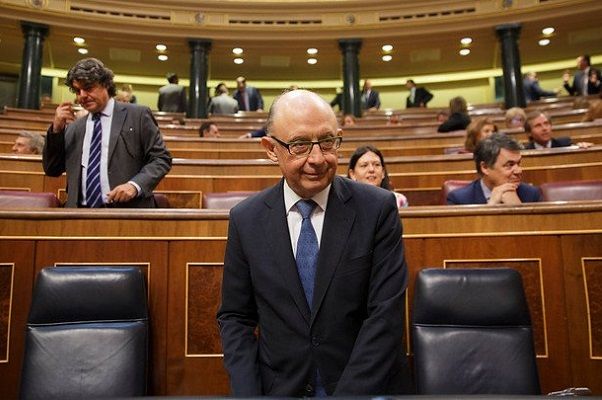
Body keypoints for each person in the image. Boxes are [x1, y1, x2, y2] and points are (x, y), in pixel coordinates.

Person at [217, 89, 410, 396]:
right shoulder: (246, 219)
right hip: (280, 389)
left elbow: (384, 316)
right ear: (271, 149)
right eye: (300, 145)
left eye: (327, 141)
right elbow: (236, 318)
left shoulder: (378, 209)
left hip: (362, 388)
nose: (317, 158)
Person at [43, 57, 172, 208]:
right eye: (77, 91)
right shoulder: (74, 128)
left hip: (127, 213)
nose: (82, 95)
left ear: (105, 84)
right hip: (80, 214)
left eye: (88, 88)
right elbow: (52, 169)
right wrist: (56, 129)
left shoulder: (138, 115)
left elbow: (161, 159)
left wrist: (134, 186)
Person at [447, 133, 541, 205]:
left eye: (518, 163)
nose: (519, 171)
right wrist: (490, 208)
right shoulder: (459, 200)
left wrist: (518, 209)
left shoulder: (532, 194)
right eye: (509, 165)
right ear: (485, 167)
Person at [524, 110, 593, 149]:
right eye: (538, 126)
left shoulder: (565, 144)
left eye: (546, 124)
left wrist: (581, 146)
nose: (544, 128)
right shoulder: (526, 152)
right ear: (529, 132)